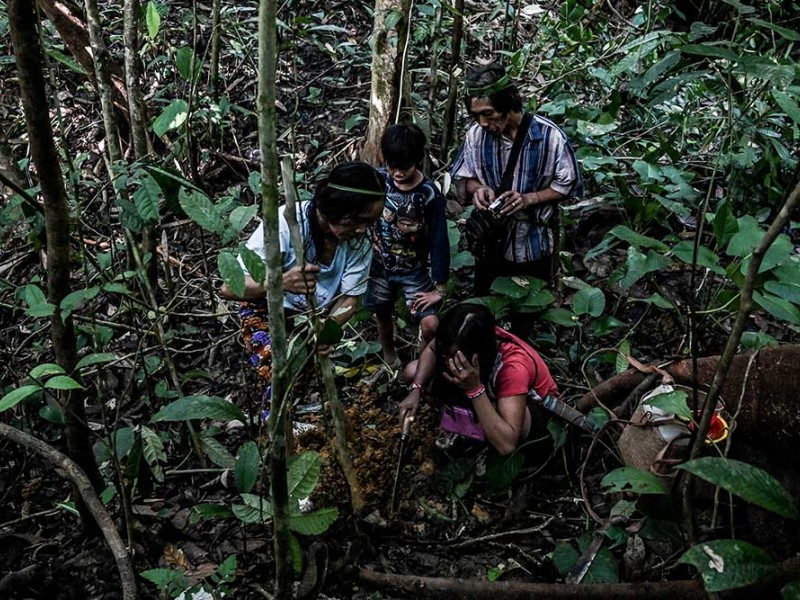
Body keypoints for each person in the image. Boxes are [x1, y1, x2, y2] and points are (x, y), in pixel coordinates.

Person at [220, 161, 385, 403]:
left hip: (310, 318)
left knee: (304, 369)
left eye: (369, 222)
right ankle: (272, 427)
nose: (362, 230)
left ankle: (289, 421)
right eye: (358, 220)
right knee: (279, 370)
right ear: (338, 207)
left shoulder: (359, 243)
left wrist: (326, 331)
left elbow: (351, 297)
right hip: (264, 309)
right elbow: (229, 288)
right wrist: (278, 283)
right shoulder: (287, 223)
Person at [451, 62, 581, 296]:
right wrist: (478, 189)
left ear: (507, 104)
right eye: (476, 116)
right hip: (489, 246)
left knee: (527, 313)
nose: (482, 123)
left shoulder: (550, 138)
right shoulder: (475, 137)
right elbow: (464, 177)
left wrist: (529, 199)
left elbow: (567, 185)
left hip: (532, 246)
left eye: (488, 114)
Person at [399, 304, 559, 456]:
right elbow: (433, 349)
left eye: (455, 356)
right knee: (413, 371)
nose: (448, 360)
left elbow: (507, 445)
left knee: (506, 430)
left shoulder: (513, 367)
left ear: (478, 355)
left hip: (532, 414)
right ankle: (462, 426)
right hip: (479, 384)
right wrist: (416, 389)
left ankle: (478, 438)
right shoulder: (457, 338)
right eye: (446, 354)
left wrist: (474, 389)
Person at [364, 123, 450, 372]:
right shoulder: (378, 180)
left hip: (414, 272)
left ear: (417, 160)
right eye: (392, 166)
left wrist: (440, 287)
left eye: (404, 167)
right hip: (380, 266)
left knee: (431, 324)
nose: (398, 173)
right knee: (382, 313)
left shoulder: (428, 194)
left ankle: (420, 367)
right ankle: (389, 358)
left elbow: (439, 238)